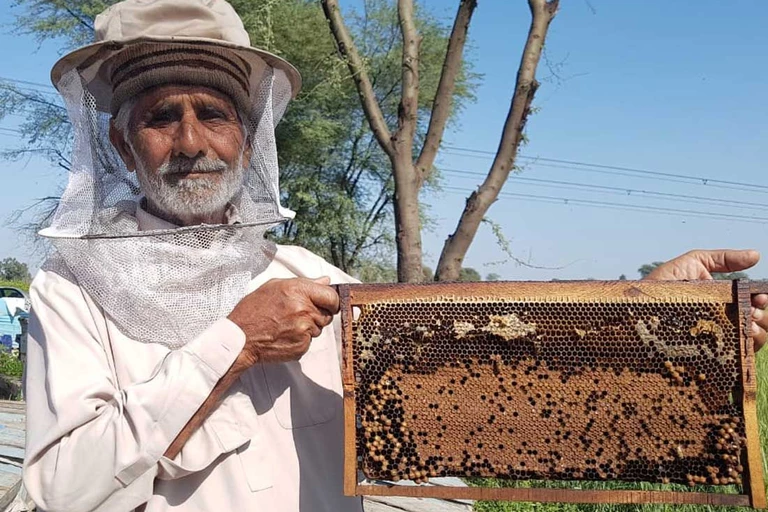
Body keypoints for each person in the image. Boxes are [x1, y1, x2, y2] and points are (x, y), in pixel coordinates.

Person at [21, 1, 767, 511]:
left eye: (212, 114)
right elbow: (60, 489)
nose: (190, 143)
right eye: (160, 118)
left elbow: (496, 374)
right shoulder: (71, 292)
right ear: (121, 141)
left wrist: (658, 316)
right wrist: (234, 344)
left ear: (248, 139)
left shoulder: (309, 278)